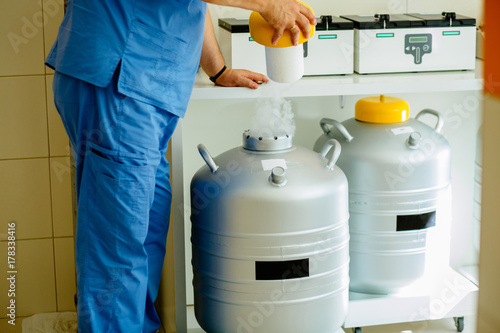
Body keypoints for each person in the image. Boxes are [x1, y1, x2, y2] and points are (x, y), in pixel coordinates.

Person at [46, 0, 316, 332]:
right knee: (118, 250)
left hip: (142, 90)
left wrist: (218, 70)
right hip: (121, 81)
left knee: (146, 232)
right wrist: (270, 5)